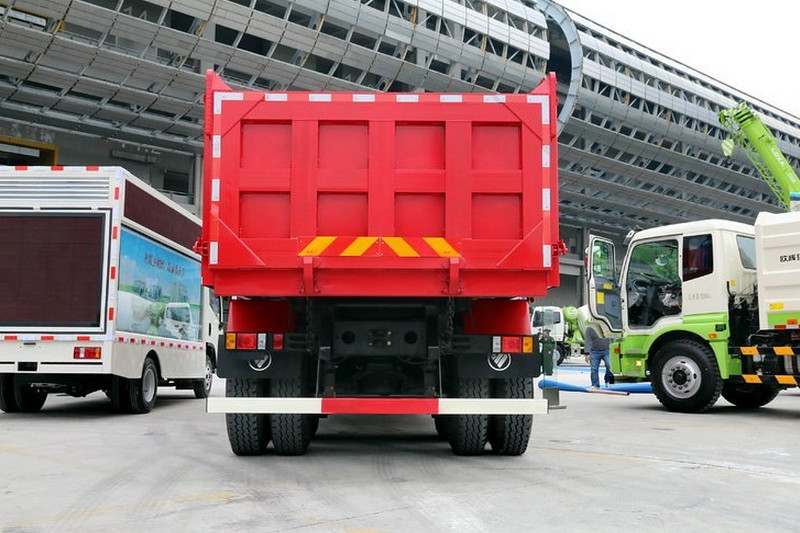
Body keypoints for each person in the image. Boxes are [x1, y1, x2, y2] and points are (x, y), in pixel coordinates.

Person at [583, 323, 613, 389]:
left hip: (607, 350)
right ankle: (595, 384)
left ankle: (608, 381)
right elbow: (588, 341)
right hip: (594, 351)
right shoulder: (590, 329)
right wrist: (587, 353)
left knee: (610, 366)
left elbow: (614, 337)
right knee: (594, 369)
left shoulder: (608, 327)